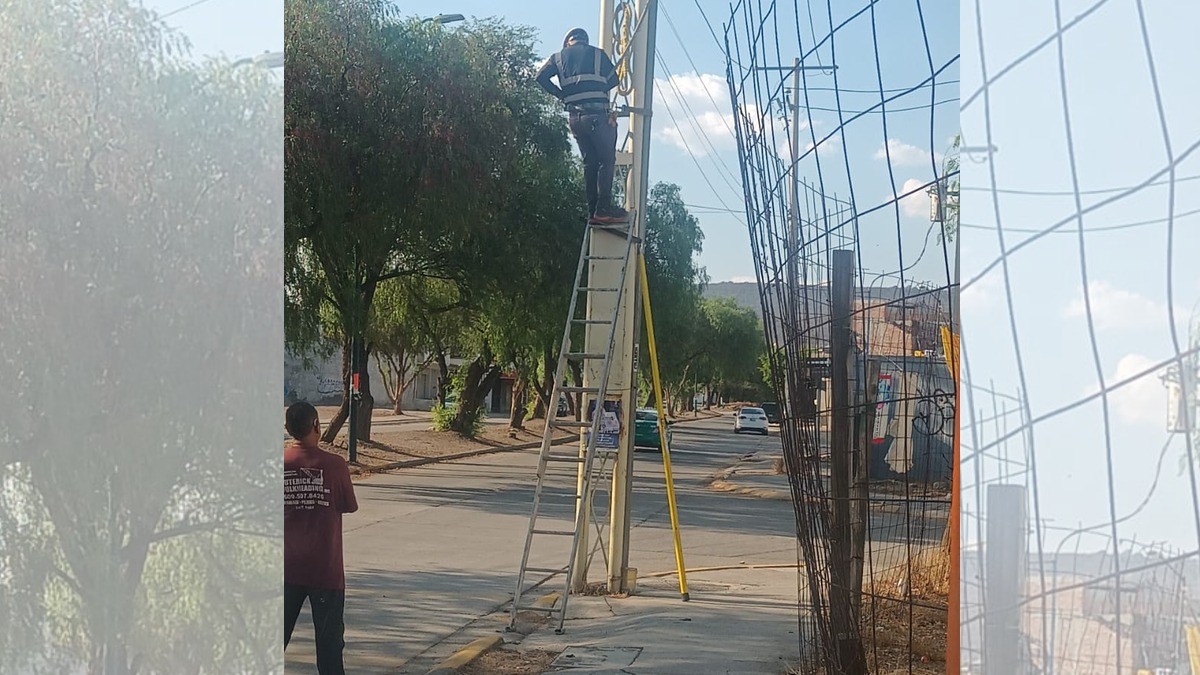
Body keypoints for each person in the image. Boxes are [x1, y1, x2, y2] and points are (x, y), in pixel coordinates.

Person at [284, 401, 359, 675]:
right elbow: (348, 505)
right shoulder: (335, 465)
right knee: (329, 650)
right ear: (317, 425)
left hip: (284, 569)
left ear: (288, 429)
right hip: (325, 573)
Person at [536, 27, 630, 225]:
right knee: (606, 160)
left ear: (567, 42)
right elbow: (614, 80)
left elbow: (540, 77)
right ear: (584, 41)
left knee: (590, 163)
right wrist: (596, 89)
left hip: (576, 119)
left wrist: (561, 94)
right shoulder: (597, 54)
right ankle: (603, 209)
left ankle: (593, 211)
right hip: (597, 115)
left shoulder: (558, 58)